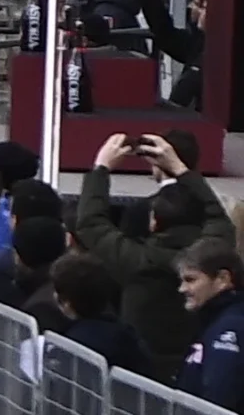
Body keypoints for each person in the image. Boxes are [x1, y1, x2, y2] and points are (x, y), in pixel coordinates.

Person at [78, 130, 236, 380]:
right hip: (199, 365)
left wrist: (101, 168)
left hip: (144, 371)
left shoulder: (134, 260)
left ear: (154, 222)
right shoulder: (215, 253)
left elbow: (90, 222)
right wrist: (181, 169)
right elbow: (217, 216)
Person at [176, 239, 244, 414]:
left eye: (191, 279)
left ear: (223, 279)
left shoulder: (230, 326)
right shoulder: (212, 320)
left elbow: (219, 398)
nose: (182, 289)